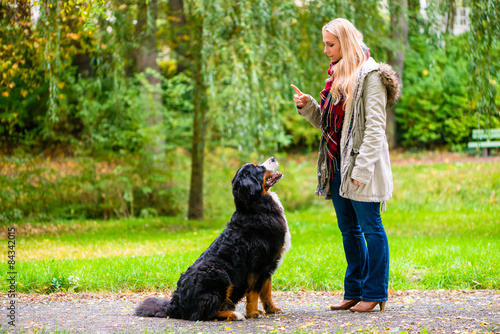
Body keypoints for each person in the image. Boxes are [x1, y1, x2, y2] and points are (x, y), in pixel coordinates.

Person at [291, 18, 401, 312]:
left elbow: (376, 128)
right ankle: (354, 290)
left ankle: (376, 292)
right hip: (336, 165)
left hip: (361, 168)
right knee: (349, 230)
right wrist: (308, 106)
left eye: (331, 44)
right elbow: (329, 126)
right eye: (324, 44)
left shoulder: (371, 75)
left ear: (346, 41)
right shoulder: (337, 76)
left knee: (371, 227)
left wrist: (362, 170)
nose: (326, 50)